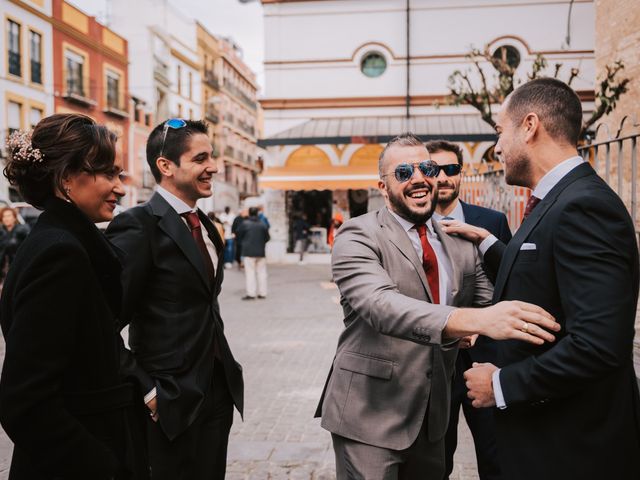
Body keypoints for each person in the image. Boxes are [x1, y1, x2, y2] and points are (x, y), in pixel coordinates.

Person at [315, 133, 559, 480]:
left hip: (433, 417)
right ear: (382, 187)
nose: (418, 177)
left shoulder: (457, 238)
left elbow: (487, 300)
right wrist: (471, 320)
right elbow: (380, 304)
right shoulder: (357, 235)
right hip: (370, 415)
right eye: (403, 172)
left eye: (426, 168)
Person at [443, 78, 640, 479]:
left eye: (500, 131)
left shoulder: (583, 206)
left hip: (573, 447)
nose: (497, 147)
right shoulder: (559, 199)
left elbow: (599, 345)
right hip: (547, 438)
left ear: (529, 126)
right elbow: (548, 277)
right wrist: (489, 244)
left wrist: (502, 385)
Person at [0, 113, 147, 479]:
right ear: (66, 179)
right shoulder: (60, 253)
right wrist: (102, 467)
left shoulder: (63, 242)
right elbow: (24, 400)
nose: (121, 188)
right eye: (109, 174)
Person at [106, 119, 244, 480]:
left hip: (216, 390)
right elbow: (101, 320)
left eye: (211, 156)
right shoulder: (138, 225)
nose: (213, 166)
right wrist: (146, 387)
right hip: (169, 399)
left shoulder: (205, 224)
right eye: (200, 158)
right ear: (166, 166)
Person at [426, 140, 511, 480]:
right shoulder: (412, 225)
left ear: (461, 174)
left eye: (451, 169)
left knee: (495, 456)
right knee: (437, 460)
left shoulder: (492, 221)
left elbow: (509, 281)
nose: (443, 178)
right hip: (434, 358)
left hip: (486, 356)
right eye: (435, 170)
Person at [237, 207, 270, 300]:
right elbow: (267, 238)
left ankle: (251, 294)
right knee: (262, 273)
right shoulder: (263, 224)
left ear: (249, 214)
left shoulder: (245, 224)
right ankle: (262, 293)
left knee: (250, 273)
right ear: (257, 213)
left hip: (248, 252)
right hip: (261, 252)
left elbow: (239, 236)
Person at [0, 207, 31, 282]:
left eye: (9, 216)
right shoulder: (1, 232)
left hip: (19, 267)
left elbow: (30, 246)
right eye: (4, 216)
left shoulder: (22, 230)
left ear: (14, 218)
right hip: (3, 268)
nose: (6, 218)